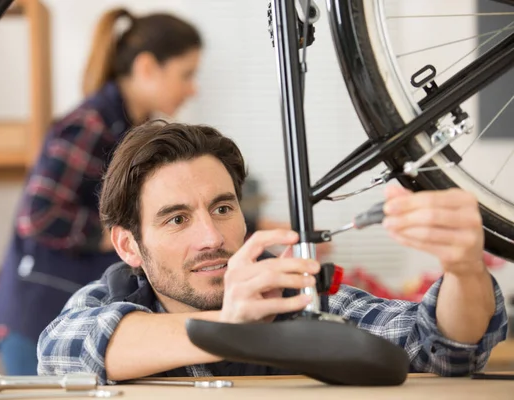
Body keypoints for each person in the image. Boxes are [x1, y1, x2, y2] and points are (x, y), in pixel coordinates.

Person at [37, 121, 508, 384]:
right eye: (177, 219)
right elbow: (62, 351)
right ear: (128, 246)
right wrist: (229, 329)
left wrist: (464, 269)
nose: (211, 237)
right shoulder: (111, 300)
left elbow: (443, 350)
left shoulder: (289, 295)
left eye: (222, 208)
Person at [0, 9, 202, 375]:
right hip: (38, 316)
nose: (194, 88)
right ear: (147, 67)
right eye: (186, 74)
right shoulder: (90, 125)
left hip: (68, 310)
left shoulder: (126, 128)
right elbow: (39, 216)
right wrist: (123, 236)